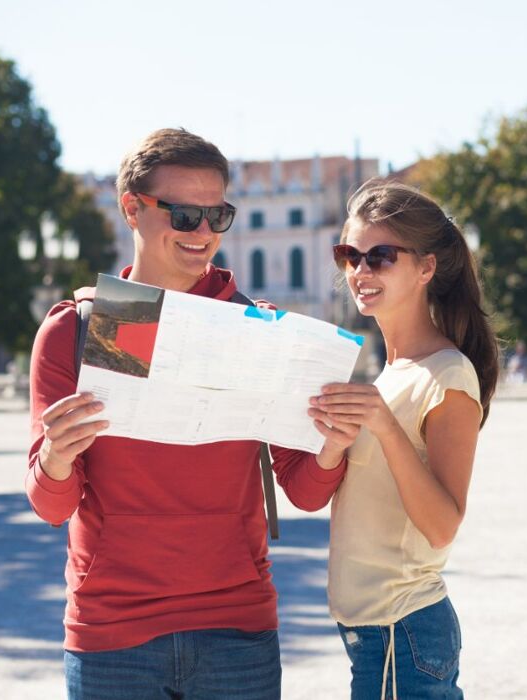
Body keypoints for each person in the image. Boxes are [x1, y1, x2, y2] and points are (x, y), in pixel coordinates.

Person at [26, 128, 350, 699]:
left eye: (216, 216)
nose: (203, 234)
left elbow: (304, 492)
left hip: (237, 631)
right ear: (132, 209)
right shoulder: (77, 328)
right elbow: (52, 505)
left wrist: (334, 444)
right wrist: (55, 455)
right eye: (183, 215)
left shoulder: (261, 330)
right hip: (112, 633)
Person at [308, 181, 499, 699]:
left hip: (402, 631)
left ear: (426, 267)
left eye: (380, 257)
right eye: (350, 255)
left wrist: (385, 426)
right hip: (375, 635)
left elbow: (442, 526)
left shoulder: (448, 375)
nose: (360, 271)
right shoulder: (390, 373)